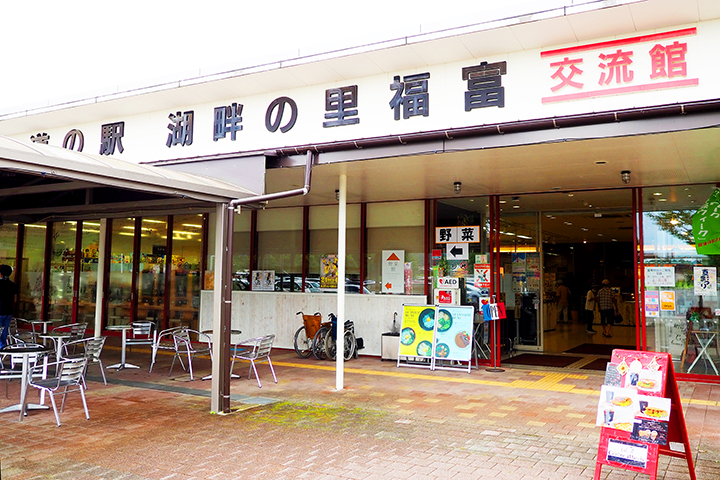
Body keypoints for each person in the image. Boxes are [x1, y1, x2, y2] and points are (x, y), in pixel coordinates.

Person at [0, 264, 18, 349]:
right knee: (4, 331)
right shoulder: (12, 285)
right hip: (8, 311)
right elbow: (15, 299)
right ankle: (2, 348)